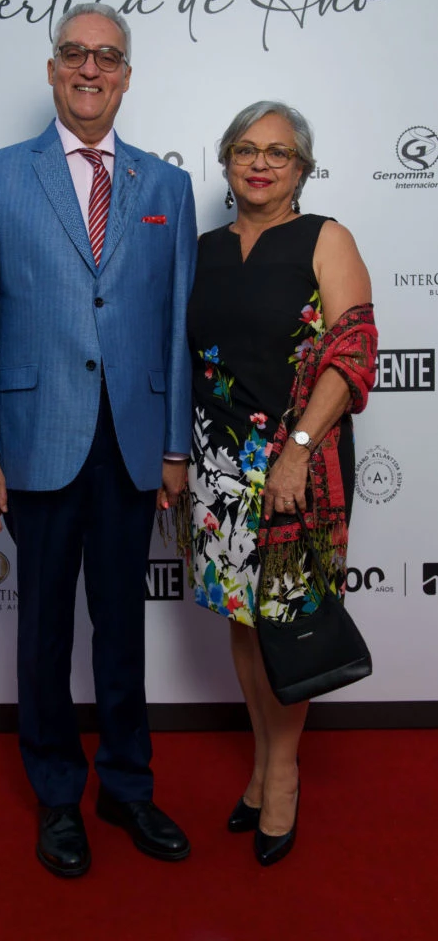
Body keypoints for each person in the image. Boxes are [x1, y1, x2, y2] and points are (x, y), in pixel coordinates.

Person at [0, 3, 197, 878]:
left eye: (107, 57)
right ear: (53, 69)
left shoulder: (165, 188)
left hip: (132, 441)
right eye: (74, 53)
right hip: (36, 440)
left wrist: (175, 447)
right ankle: (57, 796)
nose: (90, 69)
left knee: (122, 629)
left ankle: (126, 787)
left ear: (126, 76)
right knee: (45, 630)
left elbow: (175, 328)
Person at [186, 101, 377, 866]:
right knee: (243, 620)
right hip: (217, 466)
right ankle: (262, 765)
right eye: (244, 149)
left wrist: (295, 449)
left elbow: (352, 350)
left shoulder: (325, 238)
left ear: (301, 168)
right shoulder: (201, 249)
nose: (259, 163)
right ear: (226, 161)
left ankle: (284, 776)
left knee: (285, 621)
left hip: (298, 467)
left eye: (277, 152)